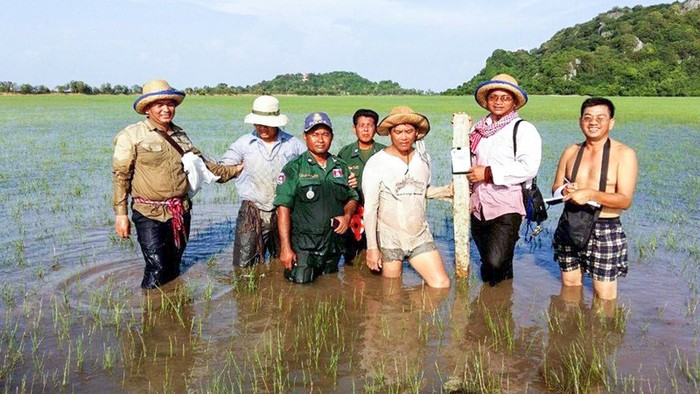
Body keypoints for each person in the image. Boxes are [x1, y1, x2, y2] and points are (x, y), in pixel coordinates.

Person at [113, 79, 243, 289]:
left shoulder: (180, 135)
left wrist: (234, 170)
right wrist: (121, 214)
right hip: (148, 213)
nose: (166, 109)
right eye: (159, 104)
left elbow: (204, 166)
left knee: (174, 263)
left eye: (170, 104)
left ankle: (176, 308)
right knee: (157, 267)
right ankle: (152, 311)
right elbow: (121, 175)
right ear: (147, 108)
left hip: (180, 212)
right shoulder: (131, 136)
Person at [552, 97, 638, 300]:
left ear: (611, 122)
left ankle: (601, 332)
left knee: (604, 297)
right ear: (580, 121)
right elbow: (556, 186)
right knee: (570, 286)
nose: (593, 122)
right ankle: (569, 330)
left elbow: (625, 200)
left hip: (605, 228)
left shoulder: (624, 154)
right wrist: (565, 190)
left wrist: (591, 194)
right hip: (570, 222)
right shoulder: (571, 151)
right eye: (588, 117)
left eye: (601, 117)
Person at [363, 106, 452, 288]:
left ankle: (414, 314)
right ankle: (404, 315)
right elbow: (370, 208)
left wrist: (446, 191)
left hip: (419, 234)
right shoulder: (376, 163)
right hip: (390, 237)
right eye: (398, 132)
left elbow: (419, 189)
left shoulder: (423, 158)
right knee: (392, 293)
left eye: (408, 131)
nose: (403, 137)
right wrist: (372, 247)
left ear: (416, 133)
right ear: (390, 133)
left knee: (441, 285)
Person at [467, 73, 542, 286]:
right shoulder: (477, 130)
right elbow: (468, 162)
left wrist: (488, 173)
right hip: (478, 205)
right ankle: (500, 302)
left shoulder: (523, 129)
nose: (499, 101)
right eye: (494, 97)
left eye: (505, 97)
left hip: (506, 204)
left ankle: (496, 298)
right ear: (487, 100)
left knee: (495, 262)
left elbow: (528, 167)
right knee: (491, 260)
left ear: (514, 102)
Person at [219, 95, 306, 268]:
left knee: (284, 262)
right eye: (258, 123)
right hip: (252, 210)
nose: (262, 127)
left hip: (284, 210)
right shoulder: (244, 144)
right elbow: (222, 169)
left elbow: (312, 165)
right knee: (244, 266)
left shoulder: (293, 144)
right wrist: (232, 170)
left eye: (267, 123)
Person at [274, 112, 359, 283]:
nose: (320, 139)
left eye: (325, 134)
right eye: (315, 134)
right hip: (304, 245)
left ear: (332, 137)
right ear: (305, 137)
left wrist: (347, 216)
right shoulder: (294, 168)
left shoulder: (340, 166)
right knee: (301, 287)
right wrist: (285, 248)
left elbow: (352, 197)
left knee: (330, 287)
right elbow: (283, 209)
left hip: (333, 245)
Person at [336, 109, 386, 264]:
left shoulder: (384, 153)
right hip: (354, 212)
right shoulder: (345, 154)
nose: (365, 129)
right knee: (352, 257)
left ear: (375, 128)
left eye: (370, 125)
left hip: (380, 212)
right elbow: (337, 185)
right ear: (354, 128)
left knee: (380, 254)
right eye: (361, 125)